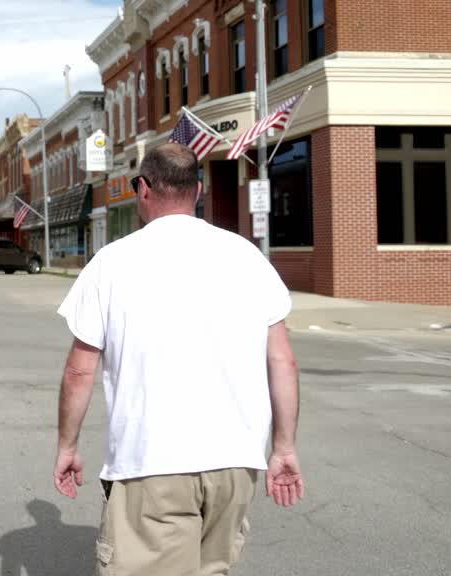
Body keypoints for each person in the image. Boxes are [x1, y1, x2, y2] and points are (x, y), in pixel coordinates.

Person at [53, 142, 304, 575]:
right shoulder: (247, 257)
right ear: (199, 190)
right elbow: (283, 361)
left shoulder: (112, 262)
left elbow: (80, 369)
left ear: (143, 189)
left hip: (152, 462)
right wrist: (283, 447)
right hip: (235, 462)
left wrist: (68, 446)